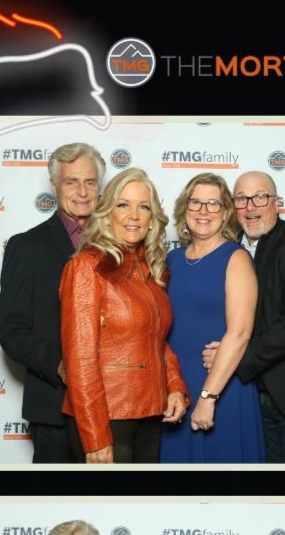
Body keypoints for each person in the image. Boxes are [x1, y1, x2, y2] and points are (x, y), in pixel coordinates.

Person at [59, 167, 188, 463]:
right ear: (107, 213)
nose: (134, 215)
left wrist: (175, 386)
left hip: (149, 413)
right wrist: (95, 437)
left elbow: (156, 340)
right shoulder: (86, 267)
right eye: (123, 205)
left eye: (144, 207)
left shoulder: (149, 270)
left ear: (152, 218)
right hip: (107, 416)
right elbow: (80, 360)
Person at [0, 141, 105, 462]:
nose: (82, 192)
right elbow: (12, 330)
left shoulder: (116, 246)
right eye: (72, 182)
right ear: (54, 185)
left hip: (111, 405)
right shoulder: (26, 246)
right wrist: (60, 365)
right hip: (54, 407)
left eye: (90, 182)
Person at [203, 171, 285, 462]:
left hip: (281, 398)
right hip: (235, 393)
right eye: (241, 199)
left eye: (260, 197)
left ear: (277, 203)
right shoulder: (226, 248)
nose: (250, 207)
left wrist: (237, 356)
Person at [160, 174, 265, 463]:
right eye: (196, 202)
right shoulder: (171, 260)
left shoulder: (236, 258)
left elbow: (240, 333)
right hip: (176, 385)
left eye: (213, 204)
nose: (203, 211)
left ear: (226, 212)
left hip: (220, 385)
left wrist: (208, 397)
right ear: (184, 208)